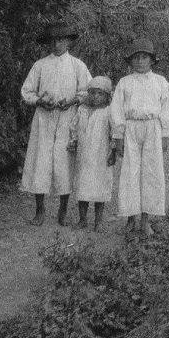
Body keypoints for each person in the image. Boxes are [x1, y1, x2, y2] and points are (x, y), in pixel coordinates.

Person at [20, 21, 90, 226]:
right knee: (40, 161)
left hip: (67, 119)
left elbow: (87, 91)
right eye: (53, 40)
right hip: (44, 119)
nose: (57, 44)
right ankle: (40, 210)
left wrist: (72, 101)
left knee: (63, 163)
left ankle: (62, 210)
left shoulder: (78, 66)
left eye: (61, 40)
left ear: (68, 42)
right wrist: (40, 101)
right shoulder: (40, 65)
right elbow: (27, 91)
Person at [110, 38, 169, 238]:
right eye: (136, 58)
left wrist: (165, 133)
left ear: (152, 60)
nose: (140, 61)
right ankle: (131, 217)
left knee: (151, 172)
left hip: (152, 128)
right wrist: (118, 135)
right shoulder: (124, 83)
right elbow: (116, 110)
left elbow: (168, 108)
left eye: (144, 57)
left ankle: (146, 220)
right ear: (130, 61)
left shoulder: (160, 82)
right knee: (130, 172)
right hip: (130, 127)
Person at [68, 75, 114, 232]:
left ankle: (98, 221)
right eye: (93, 93)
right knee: (82, 188)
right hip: (84, 156)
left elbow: (115, 132)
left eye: (100, 94)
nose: (96, 97)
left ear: (107, 96)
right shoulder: (82, 110)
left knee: (99, 188)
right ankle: (82, 219)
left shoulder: (108, 112)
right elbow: (74, 127)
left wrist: (113, 150)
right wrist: (73, 141)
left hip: (101, 156)